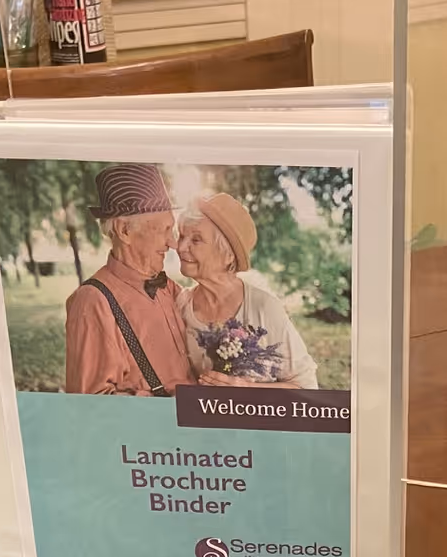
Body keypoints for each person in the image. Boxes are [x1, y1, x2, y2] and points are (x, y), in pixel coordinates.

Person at [63, 164, 193, 396]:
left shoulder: (169, 289)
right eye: (164, 229)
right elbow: (90, 406)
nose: (173, 243)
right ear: (124, 231)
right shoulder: (92, 302)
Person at [176, 193, 321, 390]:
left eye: (196, 240)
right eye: (181, 236)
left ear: (227, 255)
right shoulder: (181, 305)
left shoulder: (264, 308)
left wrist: (245, 389)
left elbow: (305, 386)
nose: (181, 247)